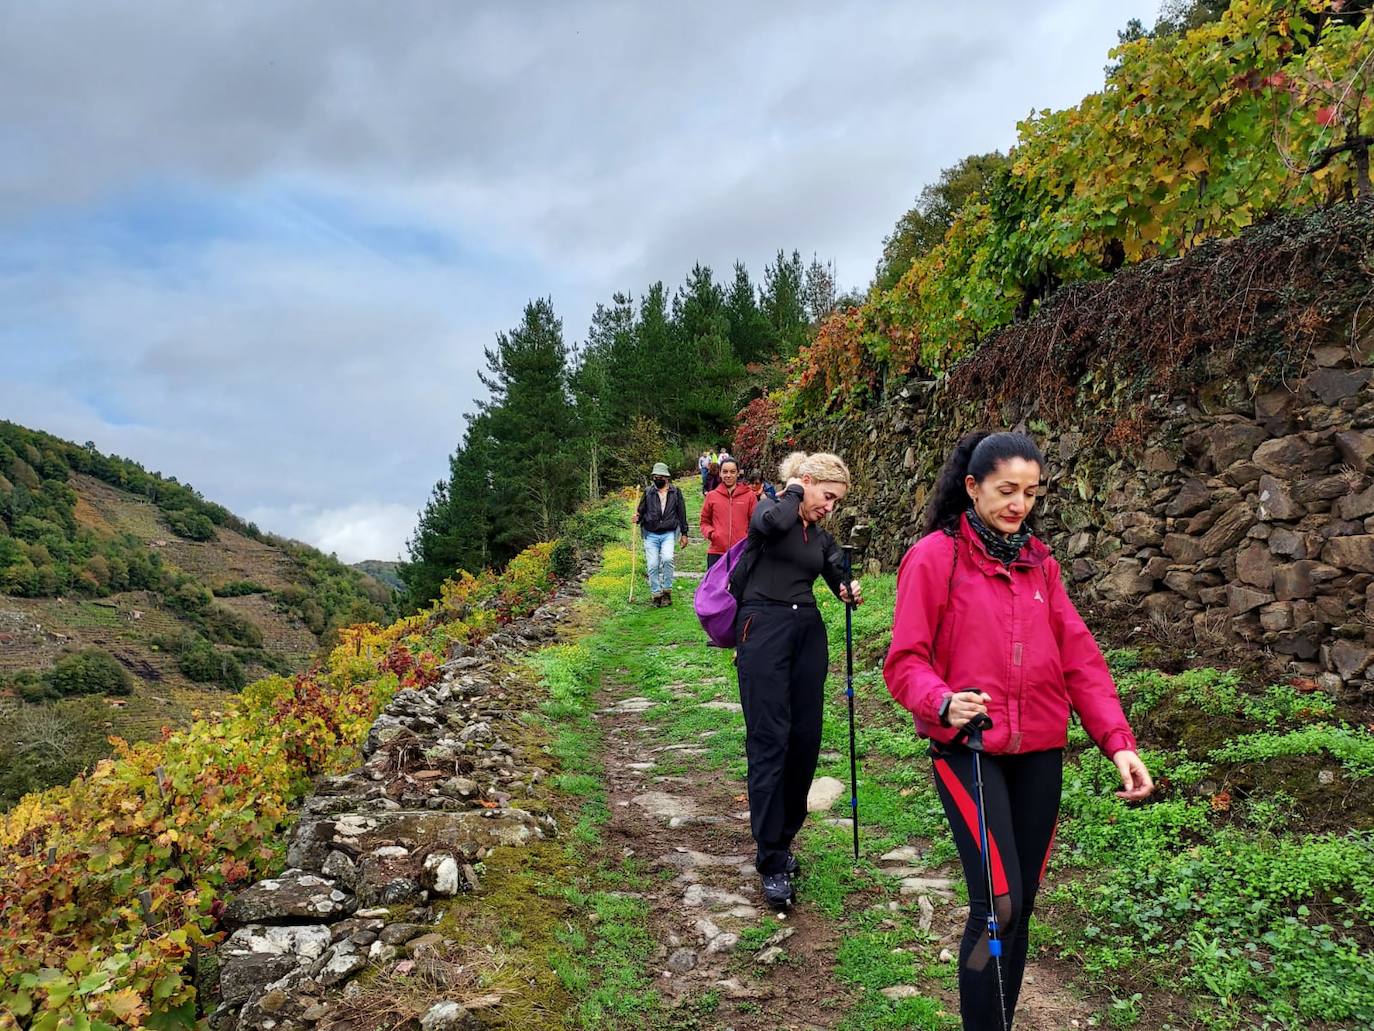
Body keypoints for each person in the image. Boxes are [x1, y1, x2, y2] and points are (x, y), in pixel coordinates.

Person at [883, 431, 1153, 1031]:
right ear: (973, 488)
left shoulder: (1040, 564)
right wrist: (943, 701)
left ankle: (996, 1019)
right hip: (970, 750)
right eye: (1007, 491)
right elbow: (904, 661)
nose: (1019, 505)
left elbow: (1080, 659)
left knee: (1020, 906)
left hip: (1039, 752)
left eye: (1030, 493)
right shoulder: (936, 556)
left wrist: (1118, 742)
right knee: (996, 905)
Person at [731, 450, 862, 908]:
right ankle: (770, 858)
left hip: (807, 633)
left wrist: (848, 587)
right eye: (827, 496)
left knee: (804, 742)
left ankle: (782, 841)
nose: (830, 507)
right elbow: (769, 526)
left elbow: (836, 573)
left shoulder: (818, 535)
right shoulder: (771, 508)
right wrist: (793, 489)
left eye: (836, 501)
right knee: (770, 741)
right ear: (805, 482)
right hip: (762, 629)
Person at [633, 461, 689, 607]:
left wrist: (684, 533)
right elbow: (641, 510)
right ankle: (656, 594)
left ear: (666, 477)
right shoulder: (648, 492)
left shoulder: (675, 492)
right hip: (650, 533)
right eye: (655, 476)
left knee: (667, 559)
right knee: (652, 565)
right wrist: (637, 518)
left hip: (669, 532)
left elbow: (681, 513)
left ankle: (667, 591)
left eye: (660, 476)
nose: (657, 479)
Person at [700, 457, 757, 570]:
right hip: (717, 552)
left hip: (741, 552)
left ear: (738, 473)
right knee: (715, 587)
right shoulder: (712, 496)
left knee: (738, 587)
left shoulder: (749, 496)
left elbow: (754, 522)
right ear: (720, 473)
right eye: (725, 471)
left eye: (732, 472)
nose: (728, 475)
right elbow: (704, 521)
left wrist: (747, 539)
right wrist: (712, 534)